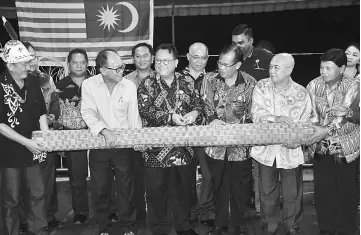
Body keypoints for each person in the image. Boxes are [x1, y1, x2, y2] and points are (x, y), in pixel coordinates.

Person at [137, 43, 202, 235]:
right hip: (155, 151)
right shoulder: (147, 84)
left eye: (166, 60)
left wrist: (194, 114)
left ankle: (184, 226)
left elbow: (198, 103)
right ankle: (159, 228)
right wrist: (170, 117)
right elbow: (145, 110)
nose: (161, 64)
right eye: (158, 60)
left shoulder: (188, 81)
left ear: (175, 62)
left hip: (184, 149)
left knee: (184, 190)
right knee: (157, 193)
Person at [81, 49, 142, 235]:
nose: (120, 71)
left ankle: (128, 227)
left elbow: (134, 117)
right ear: (102, 69)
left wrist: (137, 142)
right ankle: (104, 227)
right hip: (100, 144)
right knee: (100, 189)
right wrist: (104, 130)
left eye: (122, 67)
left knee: (126, 188)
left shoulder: (129, 86)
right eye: (115, 68)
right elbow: (87, 112)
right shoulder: (89, 85)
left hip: (124, 147)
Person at [251, 53, 312, 235]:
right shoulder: (261, 86)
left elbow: (306, 121)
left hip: (290, 151)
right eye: (270, 66)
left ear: (289, 70)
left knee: (292, 193)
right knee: (267, 193)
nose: (271, 71)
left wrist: (298, 139)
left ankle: (292, 227)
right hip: (265, 150)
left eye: (276, 67)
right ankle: (270, 227)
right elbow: (256, 114)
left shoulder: (301, 93)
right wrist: (275, 118)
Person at [202, 44, 257, 235]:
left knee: (240, 187)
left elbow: (253, 111)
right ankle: (219, 223)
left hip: (240, 146)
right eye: (219, 63)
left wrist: (241, 126)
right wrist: (213, 119)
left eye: (226, 65)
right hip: (215, 145)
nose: (221, 68)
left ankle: (238, 225)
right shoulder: (209, 79)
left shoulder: (250, 82)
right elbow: (205, 102)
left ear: (238, 65)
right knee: (217, 184)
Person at [306, 48, 360, 235]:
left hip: (346, 147)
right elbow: (311, 114)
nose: (323, 72)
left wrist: (325, 130)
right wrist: (315, 130)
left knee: (347, 191)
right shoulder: (313, 85)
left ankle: (346, 229)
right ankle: (326, 228)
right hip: (321, 148)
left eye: (328, 68)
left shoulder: (352, 85)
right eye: (321, 67)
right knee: (323, 191)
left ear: (342, 68)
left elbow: (343, 115)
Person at [0, 40, 48, 235]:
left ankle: (39, 230)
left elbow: (40, 112)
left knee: (38, 194)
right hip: (10, 151)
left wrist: (46, 138)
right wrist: (26, 142)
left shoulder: (33, 82)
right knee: (11, 199)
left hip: (34, 147)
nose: (29, 67)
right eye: (24, 64)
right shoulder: (0, 85)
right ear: (10, 65)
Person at [22, 41, 64, 231]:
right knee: (23, 183)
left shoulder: (45, 79)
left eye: (33, 56)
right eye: (26, 56)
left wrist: (49, 119)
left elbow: (54, 103)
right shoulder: (10, 80)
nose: (31, 60)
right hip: (21, 140)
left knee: (47, 180)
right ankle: (26, 219)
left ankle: (49, 215)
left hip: (45, 137)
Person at [231, 24, 273, 216]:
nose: (237, 46)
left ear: (250, 41)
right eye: (234, 43)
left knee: (261, 169)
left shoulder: (267, 58)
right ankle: (243, 207)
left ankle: (262, 209)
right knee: (241, 169)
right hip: (238, 124)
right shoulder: (231, 58)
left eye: (241, 42)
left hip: (261, 123)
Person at [181, 42, 215, 226]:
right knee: (186, 176)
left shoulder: (213, 79)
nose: (200, 61)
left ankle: (208, 210)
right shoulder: (177, 78)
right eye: (196, 57)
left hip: (207, 135)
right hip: (184, 135)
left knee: (209, 176)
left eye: (204, 58)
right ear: (187, 56)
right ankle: (191, 210)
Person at [56, 48, 90, 225]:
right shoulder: (59, 86)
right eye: (75, 62)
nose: (79, 65)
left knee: (104, 175)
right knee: (77, 178)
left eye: (82, 62)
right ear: (68, 64)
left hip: (96, 135)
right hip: (72, 138)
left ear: (87, 63)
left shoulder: (96, 83)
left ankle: (110, 210)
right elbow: (55, 115)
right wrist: (60, 141)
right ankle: (81, 212)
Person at [124, 42, 155, 228]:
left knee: (157, 182)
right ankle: (139, 219)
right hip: (132, 139)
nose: (142, 59)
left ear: (152, 58)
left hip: (155, 139)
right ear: (133, 59)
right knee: (134, 181)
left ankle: (158, 217)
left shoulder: (160, 78)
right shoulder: (125, 81)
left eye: (145, 55)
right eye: (138, 56)